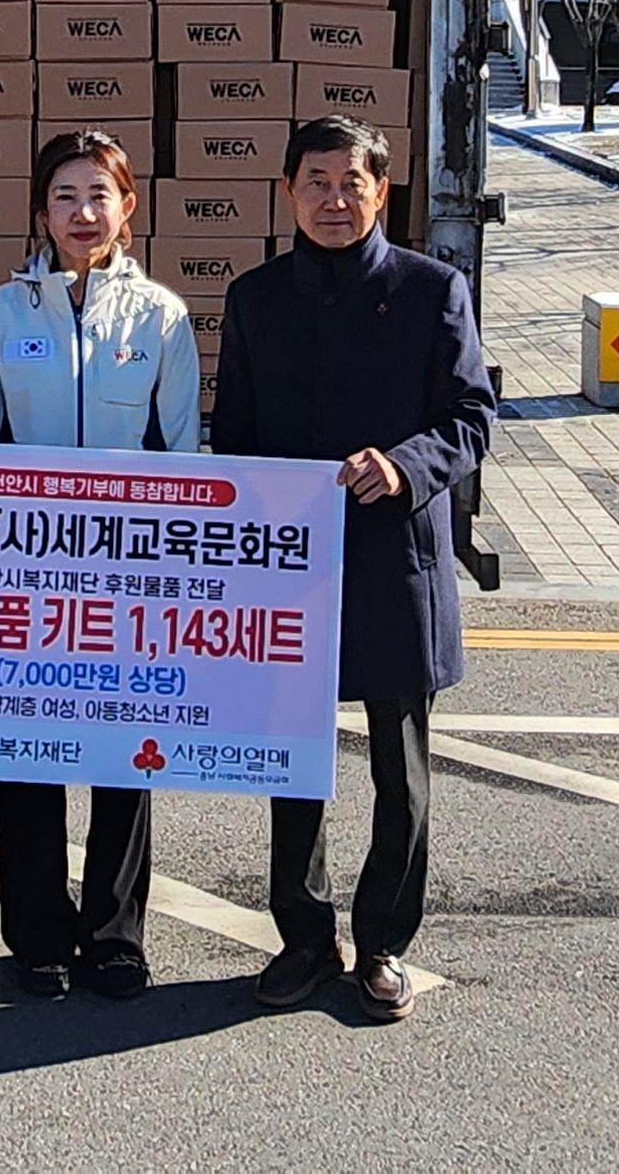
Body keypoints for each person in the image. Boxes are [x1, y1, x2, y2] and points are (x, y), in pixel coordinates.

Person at [212, 114, 494, 1024]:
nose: (335, 201)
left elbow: (472, 418)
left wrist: (404, 466)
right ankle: (303, 936)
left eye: (352, 184)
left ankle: (382, 942)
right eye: (317, 183)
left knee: (400, 774)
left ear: (382, 191)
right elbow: (235, 436)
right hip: (288, 568)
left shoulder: (431, 290)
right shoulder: (255, 298)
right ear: (288, 192)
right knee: (290, 763)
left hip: (393, 558)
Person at [0, 128, 200, 1001]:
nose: (83, 213)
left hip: (129, 578)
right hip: (24, 571)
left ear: (128, 207)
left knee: (126, 754)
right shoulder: (1, 313)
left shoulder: (162, 316)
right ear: (41, 210)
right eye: (65, 196)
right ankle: (38, 936)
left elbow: (181, 454)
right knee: (26, 748)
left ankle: (116, 937)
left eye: (100, 195)